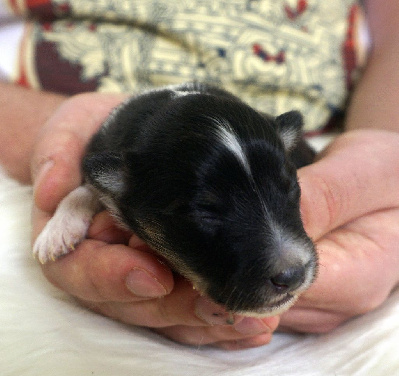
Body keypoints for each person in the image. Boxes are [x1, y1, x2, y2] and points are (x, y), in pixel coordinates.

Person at [1, 0, 399, 350]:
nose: (288, 264)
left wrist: (383, 158)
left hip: (334, 130)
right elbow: (95, 181)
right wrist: (59, 169)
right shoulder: (116, 171)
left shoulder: (275, 147)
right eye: (207, 212)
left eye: (287, 188)